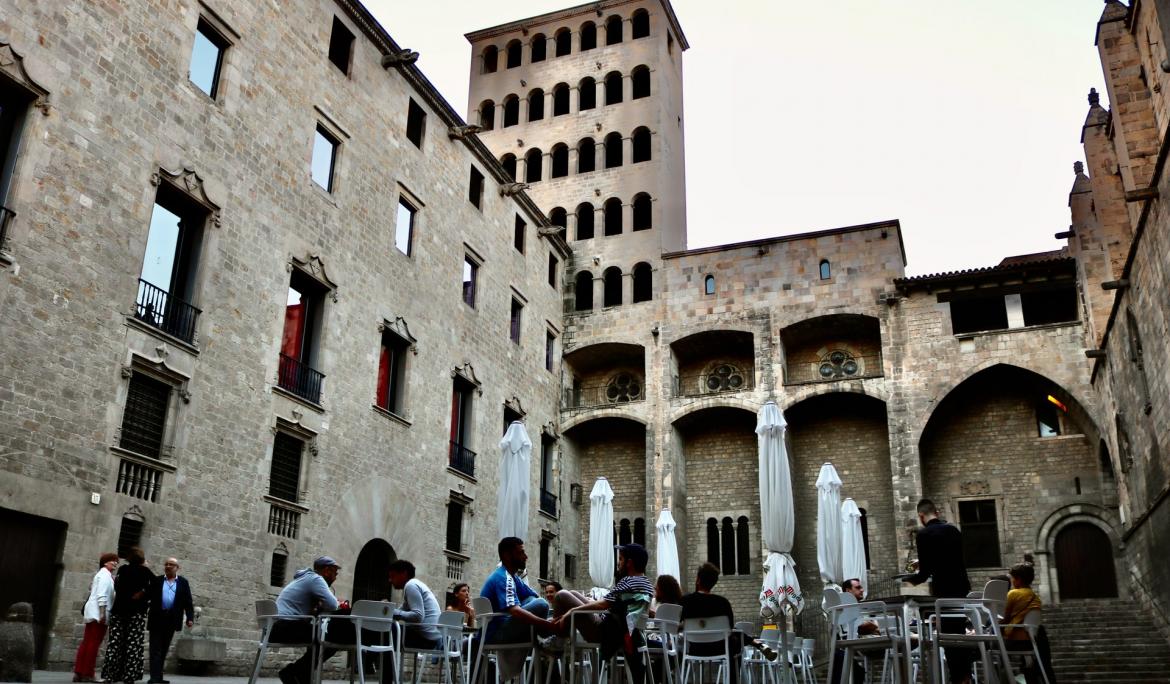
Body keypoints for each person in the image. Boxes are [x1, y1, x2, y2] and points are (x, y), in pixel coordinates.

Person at [553, 544, 653, 684]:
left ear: (629, 563)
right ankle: (558, 638)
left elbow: (603, 605)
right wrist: (588, 602)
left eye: (621, 559)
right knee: (574, 594)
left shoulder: (628, 581)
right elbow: (609, 603)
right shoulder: (646, 584)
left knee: (561, 595)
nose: (618, 563)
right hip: (618, 630)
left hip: (604, 632)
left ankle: (556, 642)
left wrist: (571, 611)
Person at [905, 499, 973, 684]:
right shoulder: (953, 530)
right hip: (961, 587)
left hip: (944, 590)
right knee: (959, 632)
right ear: (937, 511)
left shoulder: (924, 534)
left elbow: (925, 572)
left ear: (921, 516)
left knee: (947, 636)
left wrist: (909, 579)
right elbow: (951, 559)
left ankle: (957, 678)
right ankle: (966, 675)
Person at [478, 537, 552, 680]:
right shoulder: (503, 577)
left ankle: (545, 642)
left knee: (534, 601)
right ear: (507, 555)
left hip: (501, 629)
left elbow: (532, 597)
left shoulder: (513, 577)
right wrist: (547, 624)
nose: (526, 557)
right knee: (542, 604)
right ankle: (547, 642)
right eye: (521, 553)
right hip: (495, 634)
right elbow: (515, 610)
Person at [271, 556, 353, 684]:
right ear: (326, 570)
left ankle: (302, 674)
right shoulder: (316, 578)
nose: (335, 577)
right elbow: (332, 605)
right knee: (332, 637)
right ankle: (295, 671)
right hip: (285, 626)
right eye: (334, 573)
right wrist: (339, 604)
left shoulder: (305, 578)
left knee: (323, 635)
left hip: (277, 626)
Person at [102, 547, 154, 684]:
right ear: (142, 559)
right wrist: (143, 592)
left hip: (119, 610)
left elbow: (117, 586)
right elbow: (157, 585)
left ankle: (111, 675)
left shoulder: (123, 570)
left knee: (115, 643)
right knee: (133, 644)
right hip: (136, 612)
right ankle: (129, 676)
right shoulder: (145, 571)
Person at [1001, 563, 1055, 684]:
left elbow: (1003, 619)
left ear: (1018, 579)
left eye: (1012, 578)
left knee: (988, 645)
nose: (1012, 581)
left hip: (1016, 641)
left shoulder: (1013, 594)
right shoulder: (1034, 596)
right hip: (1031, 640)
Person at [146, 558, 194, 684]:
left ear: (177, 567)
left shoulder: (183, 582)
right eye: (166, 564)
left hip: (172, 620)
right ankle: (154, 678)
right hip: (157, 618)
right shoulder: (157, 580)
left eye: (171, 564)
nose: (168, 566)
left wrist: (190, 618)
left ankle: (159, 677)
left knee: (164, 648)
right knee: (155, 648)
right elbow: (147, 595)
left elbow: (188, 602)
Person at [73, 553, 118, 683]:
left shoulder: (103, 575)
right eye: (112, 561)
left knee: (87, 642)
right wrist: (102, 613)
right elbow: (102, 595)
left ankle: (79, 672)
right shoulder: (104, 575)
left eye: (116, 561)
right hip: (98, 613)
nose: (115, 563)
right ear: (105, 563)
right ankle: (88, 674)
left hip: (92, 612)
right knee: (93, 644)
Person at [829, 579, 875, 684]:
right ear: (848, 591)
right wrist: (874, 625)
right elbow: (861, 627)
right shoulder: (849, 608)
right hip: (852, 644)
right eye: (858, 588)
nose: (862, 590)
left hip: (842, 646)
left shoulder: (840, 608)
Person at [388, 559, 442, 650]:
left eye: (393, 576)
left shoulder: (411, 585)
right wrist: (388, 609)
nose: (390, 580)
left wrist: (391, 611)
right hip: (431, 638)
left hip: (425, 639)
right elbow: (401, 611)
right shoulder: (414, 585)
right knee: (386, 632)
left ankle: (376, 663)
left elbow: (418, 616)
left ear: (404, 574)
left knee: (386, 631)